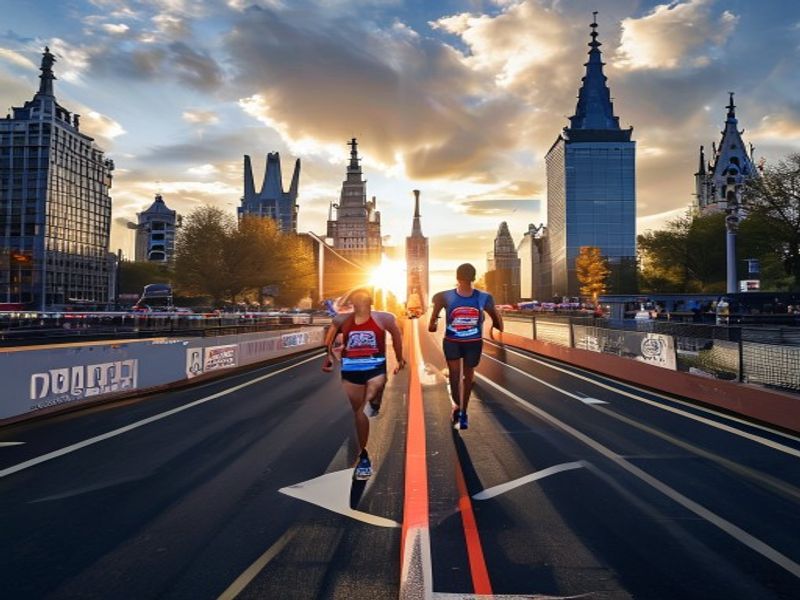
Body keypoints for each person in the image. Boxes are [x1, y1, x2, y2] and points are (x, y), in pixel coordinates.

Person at [322, 288, 405, 480]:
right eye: (356, 302)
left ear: (370, 303)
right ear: (352, 304)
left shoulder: (385, 318)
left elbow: (396, 335)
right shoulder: (341, 320)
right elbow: (329, 339)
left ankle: (374, 404)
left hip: (375, 367)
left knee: (371, 406)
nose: (359, 306)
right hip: (351, 369)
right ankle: (364, 456)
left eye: (362, 302)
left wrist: (400, 358)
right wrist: (329, 357)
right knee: (360, 411)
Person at [428, 263, 503, 430]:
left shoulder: (443, 296)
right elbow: (497, 320)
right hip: (473, 343)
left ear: (457, 277)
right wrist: (495, 328)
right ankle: (463, 412)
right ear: (474, 278)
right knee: (468, 377)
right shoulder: (485, 297)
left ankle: (457, 406)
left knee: (454, 376)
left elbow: (432, 324)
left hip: (452, 342)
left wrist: (433, 323)